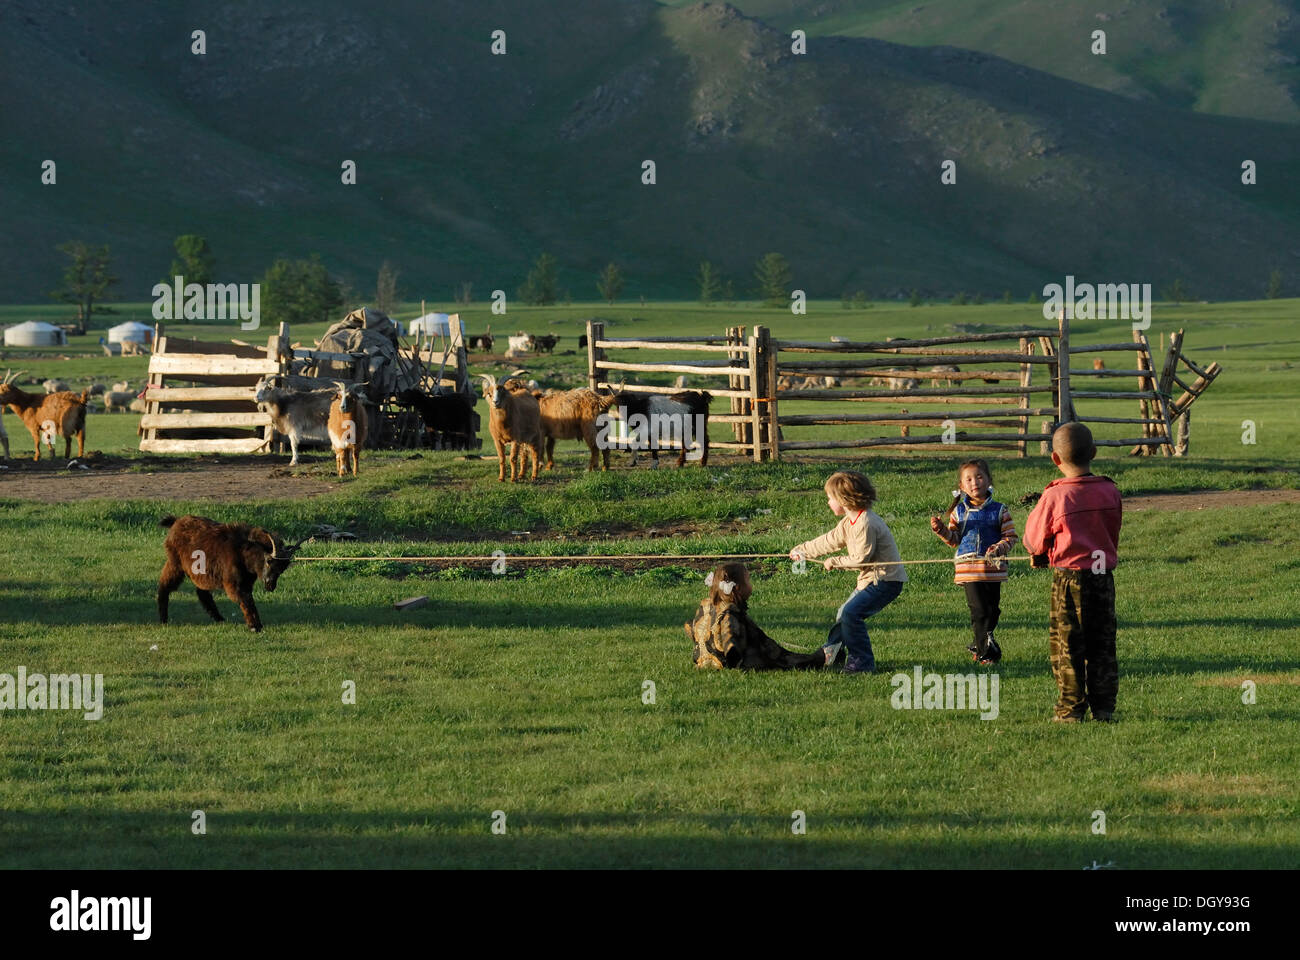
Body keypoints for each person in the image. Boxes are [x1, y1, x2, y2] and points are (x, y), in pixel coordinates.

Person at [1023, 422, 1123, 722]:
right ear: (1093, 452)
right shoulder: (1110, 490)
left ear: (1055, 458)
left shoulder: (1055, 496)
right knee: (1102, 642)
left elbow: (1034, 538)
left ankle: (1070, 708)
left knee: (1067, 645)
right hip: (1102, 576)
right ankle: (1103, 707)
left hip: (1068, 579)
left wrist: (1040, 553)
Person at [789, 471, 906, 674]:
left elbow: (861, 558)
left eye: (830, 498)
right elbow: (829, 540)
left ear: (844, 499)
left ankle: (862, 662)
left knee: (851, 614)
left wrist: (835, 561)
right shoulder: (849, 522)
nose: (828, 502)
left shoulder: (866, 523)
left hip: (886, 580)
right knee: (844, 613)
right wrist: (803, 550)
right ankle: (832, 652)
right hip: (869, 580)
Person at [929, 459, 1018, 664]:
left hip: (993, 570)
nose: (974, 482)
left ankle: (979, 643)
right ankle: (986, 654)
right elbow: (954, 540)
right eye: (968, 479)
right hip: (969, 569)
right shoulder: (958, 512)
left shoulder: (1000, 510)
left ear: (988, 480)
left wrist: (999, 548)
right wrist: (940, 530)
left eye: (979, 477)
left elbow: (1011, 537)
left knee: (992, 610)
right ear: (961, 486)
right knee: (978, 609)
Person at [685, 562, 824, 671]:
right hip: (731, 659)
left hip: (704, 658)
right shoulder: (729, 613)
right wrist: (733, 653)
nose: (750, 585)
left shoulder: (707, 606)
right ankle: (816, 659)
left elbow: (691, 627)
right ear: (738, 587)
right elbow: (730, 636)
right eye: (748, 580)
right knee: (779, 659)